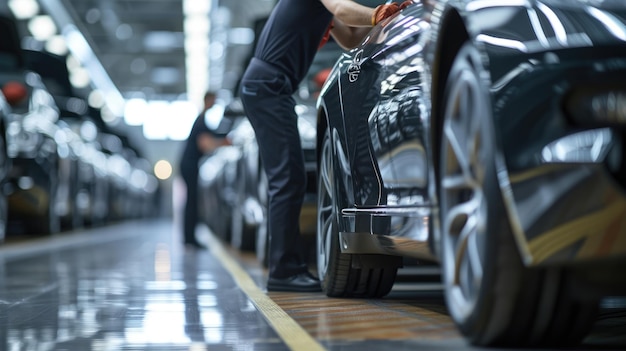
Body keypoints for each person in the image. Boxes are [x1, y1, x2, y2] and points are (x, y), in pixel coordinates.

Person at [239, 0, 412, 292]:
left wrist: (387, 18)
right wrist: (373, 14)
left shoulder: (321, 9)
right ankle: (283, 270)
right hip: (268, 86)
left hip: (272, 88)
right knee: (287, 180)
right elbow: (344, 9)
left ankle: (286, 266)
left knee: (288, 178)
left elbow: (349, 38)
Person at [179, 91, 231, 249]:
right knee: (191, 201)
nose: (215, 103)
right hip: (189, 164)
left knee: (192, 201)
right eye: (213, 100)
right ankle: (189, 239)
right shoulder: (201, 121)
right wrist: (225, 143)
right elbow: (205, 145)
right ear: (207, 100)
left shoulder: (202, 120)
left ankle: (190, 238)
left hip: (190, 164)